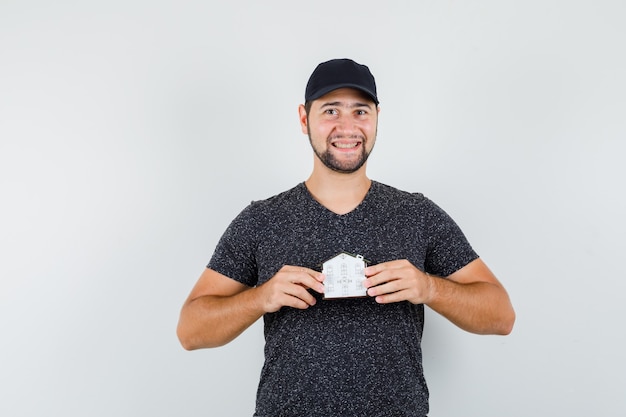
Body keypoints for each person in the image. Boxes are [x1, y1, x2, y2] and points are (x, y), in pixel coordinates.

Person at [177, 58, 515, 417]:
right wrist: (260, 297)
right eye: (331, 111)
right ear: (304, 119)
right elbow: (190, 330)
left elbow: (501, 315)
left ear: (377, 118)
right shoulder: (261, 220)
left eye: (360, 111)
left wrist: (429, 288)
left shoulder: (418, 215)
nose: (347, 126)